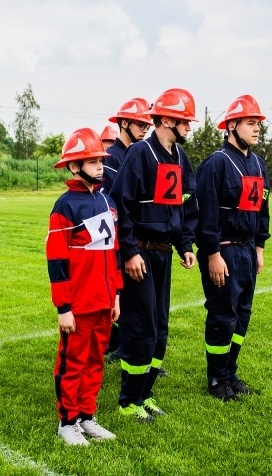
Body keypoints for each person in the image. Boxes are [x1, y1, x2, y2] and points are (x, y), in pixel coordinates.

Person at [108, 88, 199, 422]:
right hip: (140, 257)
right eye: (184, 121)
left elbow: (183, 204)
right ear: (165, 120)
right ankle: (128, 400)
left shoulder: (178, 158)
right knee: (141, 327)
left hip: (163, 256)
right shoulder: (139, 155)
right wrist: (129, 251)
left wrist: (185, 245)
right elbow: (121, 207)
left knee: (160, 327)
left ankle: (145, 395)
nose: (189, 128)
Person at [46, 128, 121, 446]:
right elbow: (56, 260)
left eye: (100, 161)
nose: (100, 166)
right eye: (92, 162)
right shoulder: (64, 206)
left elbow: (113, 252)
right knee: (72, 362)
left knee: (95, 360)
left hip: (104, 301)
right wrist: (63, 308)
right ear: (75, 167)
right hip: (77, 305)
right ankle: (68, 422)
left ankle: (88, 417)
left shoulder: (107, 200)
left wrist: (116, 293)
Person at [195, 95, 271, 401]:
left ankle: (230, 372)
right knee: (223, 315)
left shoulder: (257, 163)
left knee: (242, 314)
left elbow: (262, 208)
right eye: (251, 123)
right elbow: (205, 213)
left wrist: (260, 247)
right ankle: (216, 379)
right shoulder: (216, 164)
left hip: (248, 250)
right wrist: (213, 253)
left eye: (258, 124)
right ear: (231, 126)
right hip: (223, 251)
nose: (256, 130)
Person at [101, 97, 153, 364]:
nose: (145, 129)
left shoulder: (143, 155)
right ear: (123, 123)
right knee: (124, 299)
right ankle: (124, 350)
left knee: (135, 301)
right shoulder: (111, 159)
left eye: (147, 124)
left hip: (136, 238)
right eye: (139, 123)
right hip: (118, 239)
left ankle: (125, 348)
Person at [102, 97, 153, 189]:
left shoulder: (140, 156)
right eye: (141, 125)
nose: (145, 131)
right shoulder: (110, 158)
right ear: (124, 123)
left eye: (147, 127)